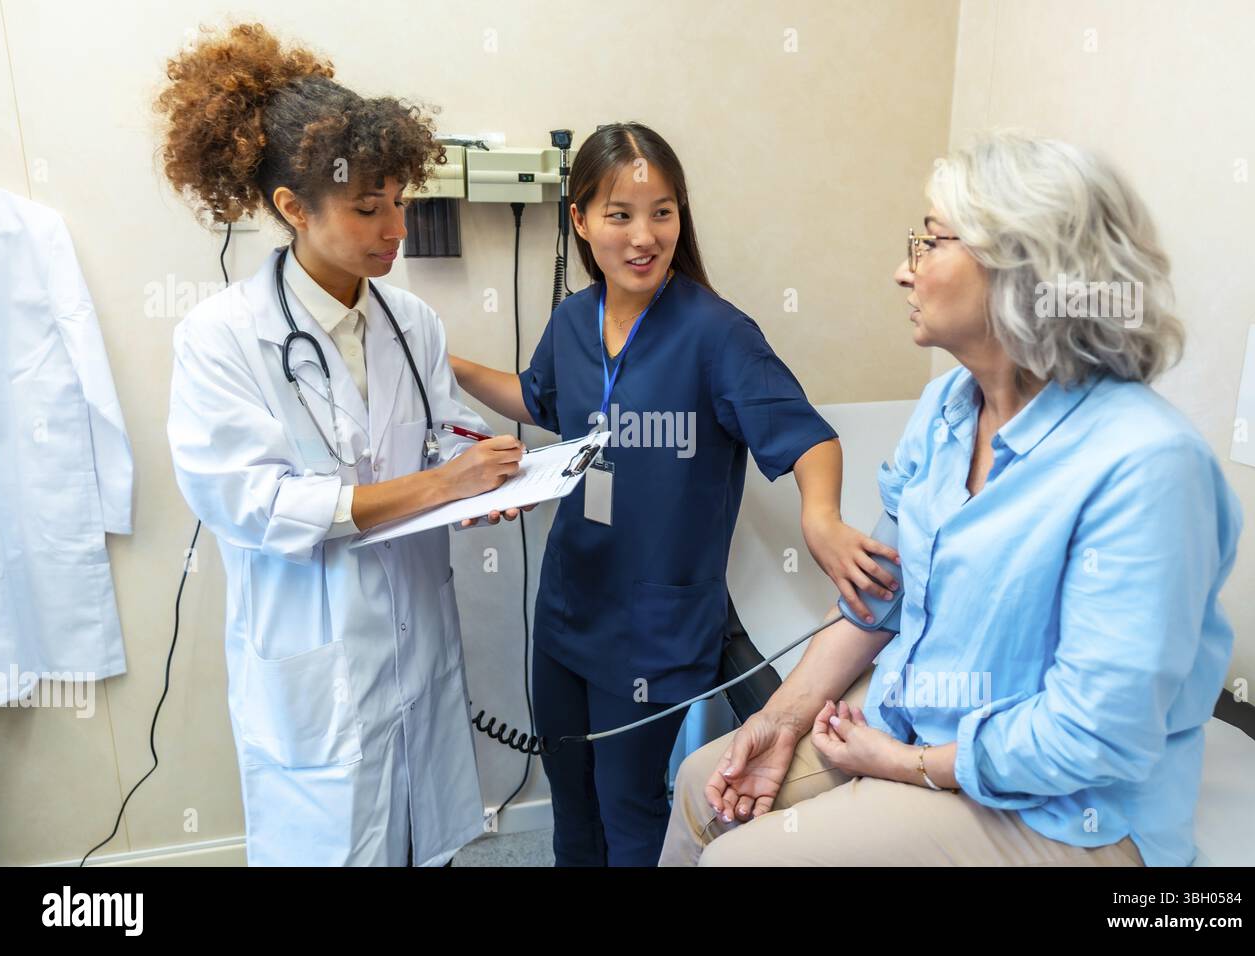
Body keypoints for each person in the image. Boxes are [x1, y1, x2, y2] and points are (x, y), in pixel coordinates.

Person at [662, 131, 1242, 867]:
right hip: (924, 726)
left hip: (1069, 809)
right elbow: (879, 594)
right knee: (698, 786)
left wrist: (908, 765)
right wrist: (782, 718)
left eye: (930, 243)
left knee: (742, 861)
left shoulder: (1146, 464)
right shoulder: (946, 408)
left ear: (1025, 270)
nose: (902, 272)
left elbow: (1095, 737)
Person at [450, 122, 898, 866]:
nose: (644, 235)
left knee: (629, 806)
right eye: (620, 214)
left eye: (663, 211)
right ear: (581, 221)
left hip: (653, 623)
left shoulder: (717, 334)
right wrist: (449, 361)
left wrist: (821, 516)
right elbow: (538, 397)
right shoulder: (572, 320)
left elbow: (809, 437)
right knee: (571, 794)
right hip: (567, 607)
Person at [158, 22, 529, 866]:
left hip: (418, 638)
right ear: (294, 207)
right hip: (313, 660)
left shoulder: (413, 323)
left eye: (399, 199)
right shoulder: (223, 337)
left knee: (418, 840)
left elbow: (441, 439)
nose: (396, 226)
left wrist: (473, 487)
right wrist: (440, 488)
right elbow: (249, 501)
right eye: (368, 208)